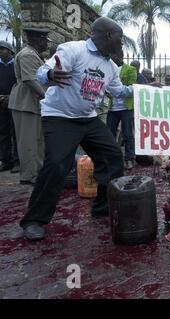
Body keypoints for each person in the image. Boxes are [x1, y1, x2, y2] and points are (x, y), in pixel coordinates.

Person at [19, 17, 136, 241]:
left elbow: (119, 91)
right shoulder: (73, 50)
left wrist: (144, 89)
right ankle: (34, 220)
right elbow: (43, 72)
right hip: (60, 117)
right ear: (109, 36)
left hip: (88, 119)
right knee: (56, 164)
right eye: (120, 38)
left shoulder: (111, 66)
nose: (122, 44)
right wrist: (51, 75)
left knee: (112, 158)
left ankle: (102, 207)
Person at [8, 28, 49, 185]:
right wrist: (47, 98)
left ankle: (36, 172)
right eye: (45, 40)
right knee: (28, 141)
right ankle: (29, 176)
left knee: (37, 140)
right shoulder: (28, 55)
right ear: (38, 40)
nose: (46, 43)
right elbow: (30, 80)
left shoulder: (33, 54)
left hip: (32, 103)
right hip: (25, 103)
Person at [107, 49, 137, 170]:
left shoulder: (130, 70)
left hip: (126, 108)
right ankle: (111, 158)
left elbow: (132, 88)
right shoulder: (108, 69)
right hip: (112, 108)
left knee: (128, 134)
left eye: (114, 54)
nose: (112, 57)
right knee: (109, 134)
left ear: (121, 56)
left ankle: (129, 159)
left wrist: (115, 91)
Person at [0, 40, 19, 173]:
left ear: (10, 51)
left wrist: (10, 96)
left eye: (3, 49)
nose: (1, 51)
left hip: (14, 102)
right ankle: (6, 161)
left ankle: (18, 161)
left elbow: (20, 83)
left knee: (16, 132)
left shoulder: (16, 65)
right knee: (3, 133)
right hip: (0, 102)